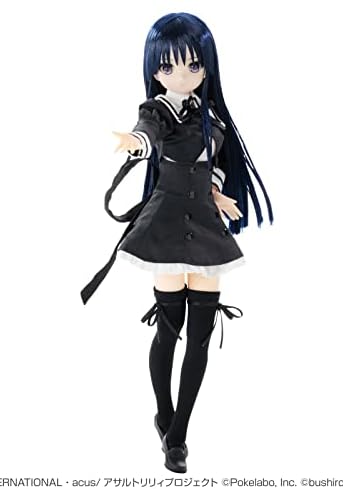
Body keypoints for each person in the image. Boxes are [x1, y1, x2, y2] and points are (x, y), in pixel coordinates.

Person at [80, 12, 273, 473]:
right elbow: (149, 134)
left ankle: (178, 434)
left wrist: (218, 194)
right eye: (168, 67)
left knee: (200, 339)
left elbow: (218, 163)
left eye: (192, 65)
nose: (181, 76)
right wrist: (135, 142)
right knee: (168, 331)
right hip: (166, 226)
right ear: (154, 69)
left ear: (207, 66)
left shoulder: (212, 117)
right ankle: (164, 413)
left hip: (205, 227)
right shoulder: (158, 110)